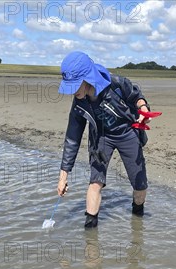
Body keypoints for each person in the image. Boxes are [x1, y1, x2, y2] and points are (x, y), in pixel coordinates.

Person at [56, 51, 153, 228]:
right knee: (95, 182)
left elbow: (137, 97)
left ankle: (137, 219)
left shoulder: (116, 83)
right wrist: (63, 176)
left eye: (75, 85)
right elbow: (72, 137)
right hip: (101, 138)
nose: (73, 91)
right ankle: (90, 236)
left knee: (140, 185)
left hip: (127, 133)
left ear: (87, 78)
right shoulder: (79, 103)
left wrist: (144, 110)